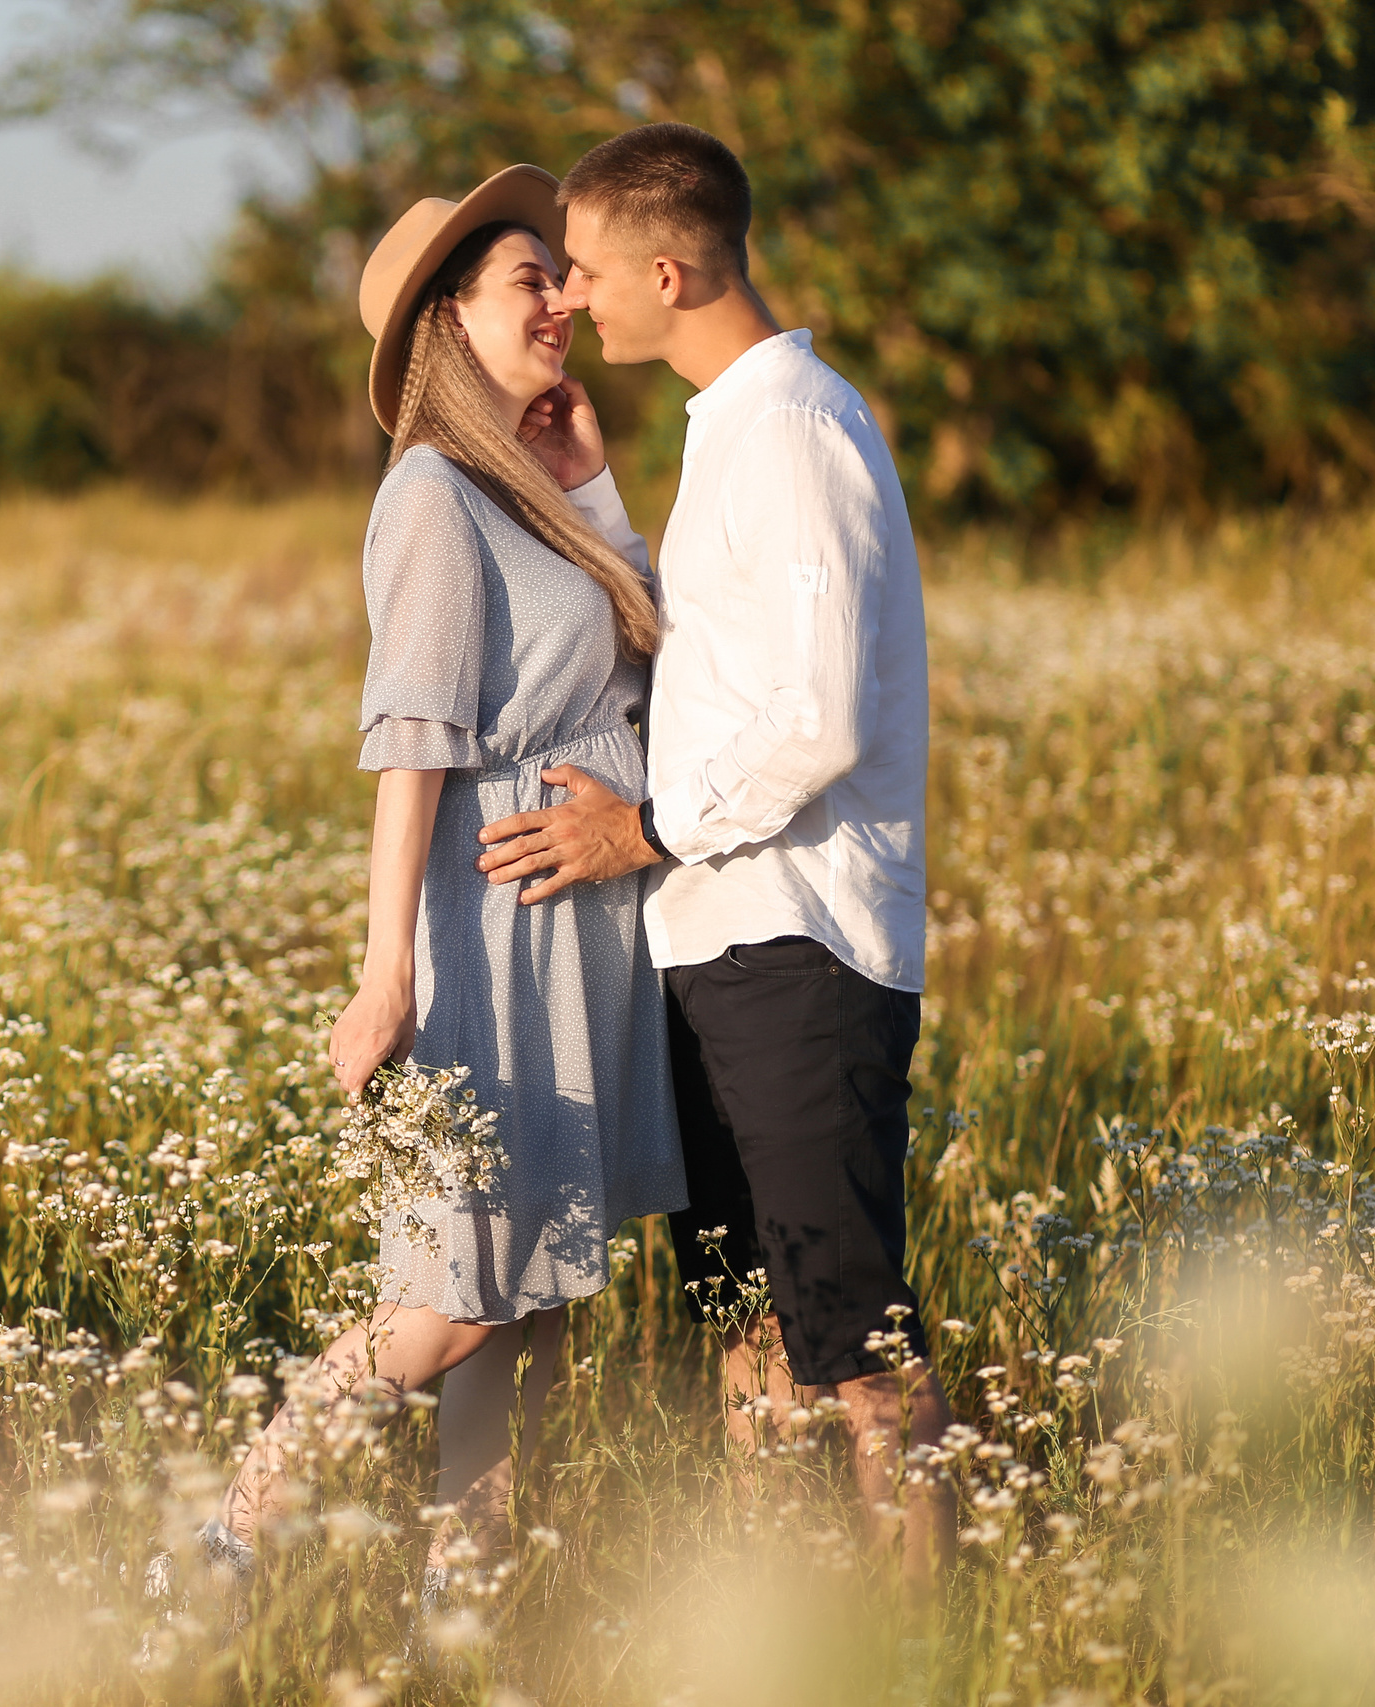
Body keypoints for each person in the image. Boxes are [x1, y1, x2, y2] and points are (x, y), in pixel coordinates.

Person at [153, 164, 687, 1613]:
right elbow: (411, 746)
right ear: (450, 323)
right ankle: (221, 1544)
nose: (565, 303)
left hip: (577, 929)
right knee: (453, 1298)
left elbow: (654, 657)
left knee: (530, 1305)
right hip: (488, 935)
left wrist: (597, 484)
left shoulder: (533, 496)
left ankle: (469, 1597)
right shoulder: (436, 496)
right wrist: (388, 970)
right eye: (533, 281)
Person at [474, 123, 959, 1603]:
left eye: (591, 273)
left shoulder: (801, 427)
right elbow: (717, 668)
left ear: (670, 272)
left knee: (853, 1340)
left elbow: (814, 718)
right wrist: (603, 500)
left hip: (796, 945)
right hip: (715, 943)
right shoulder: (727, 430)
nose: (570, 303)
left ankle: (937, 1647)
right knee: (749, 1328)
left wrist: (642, 833)